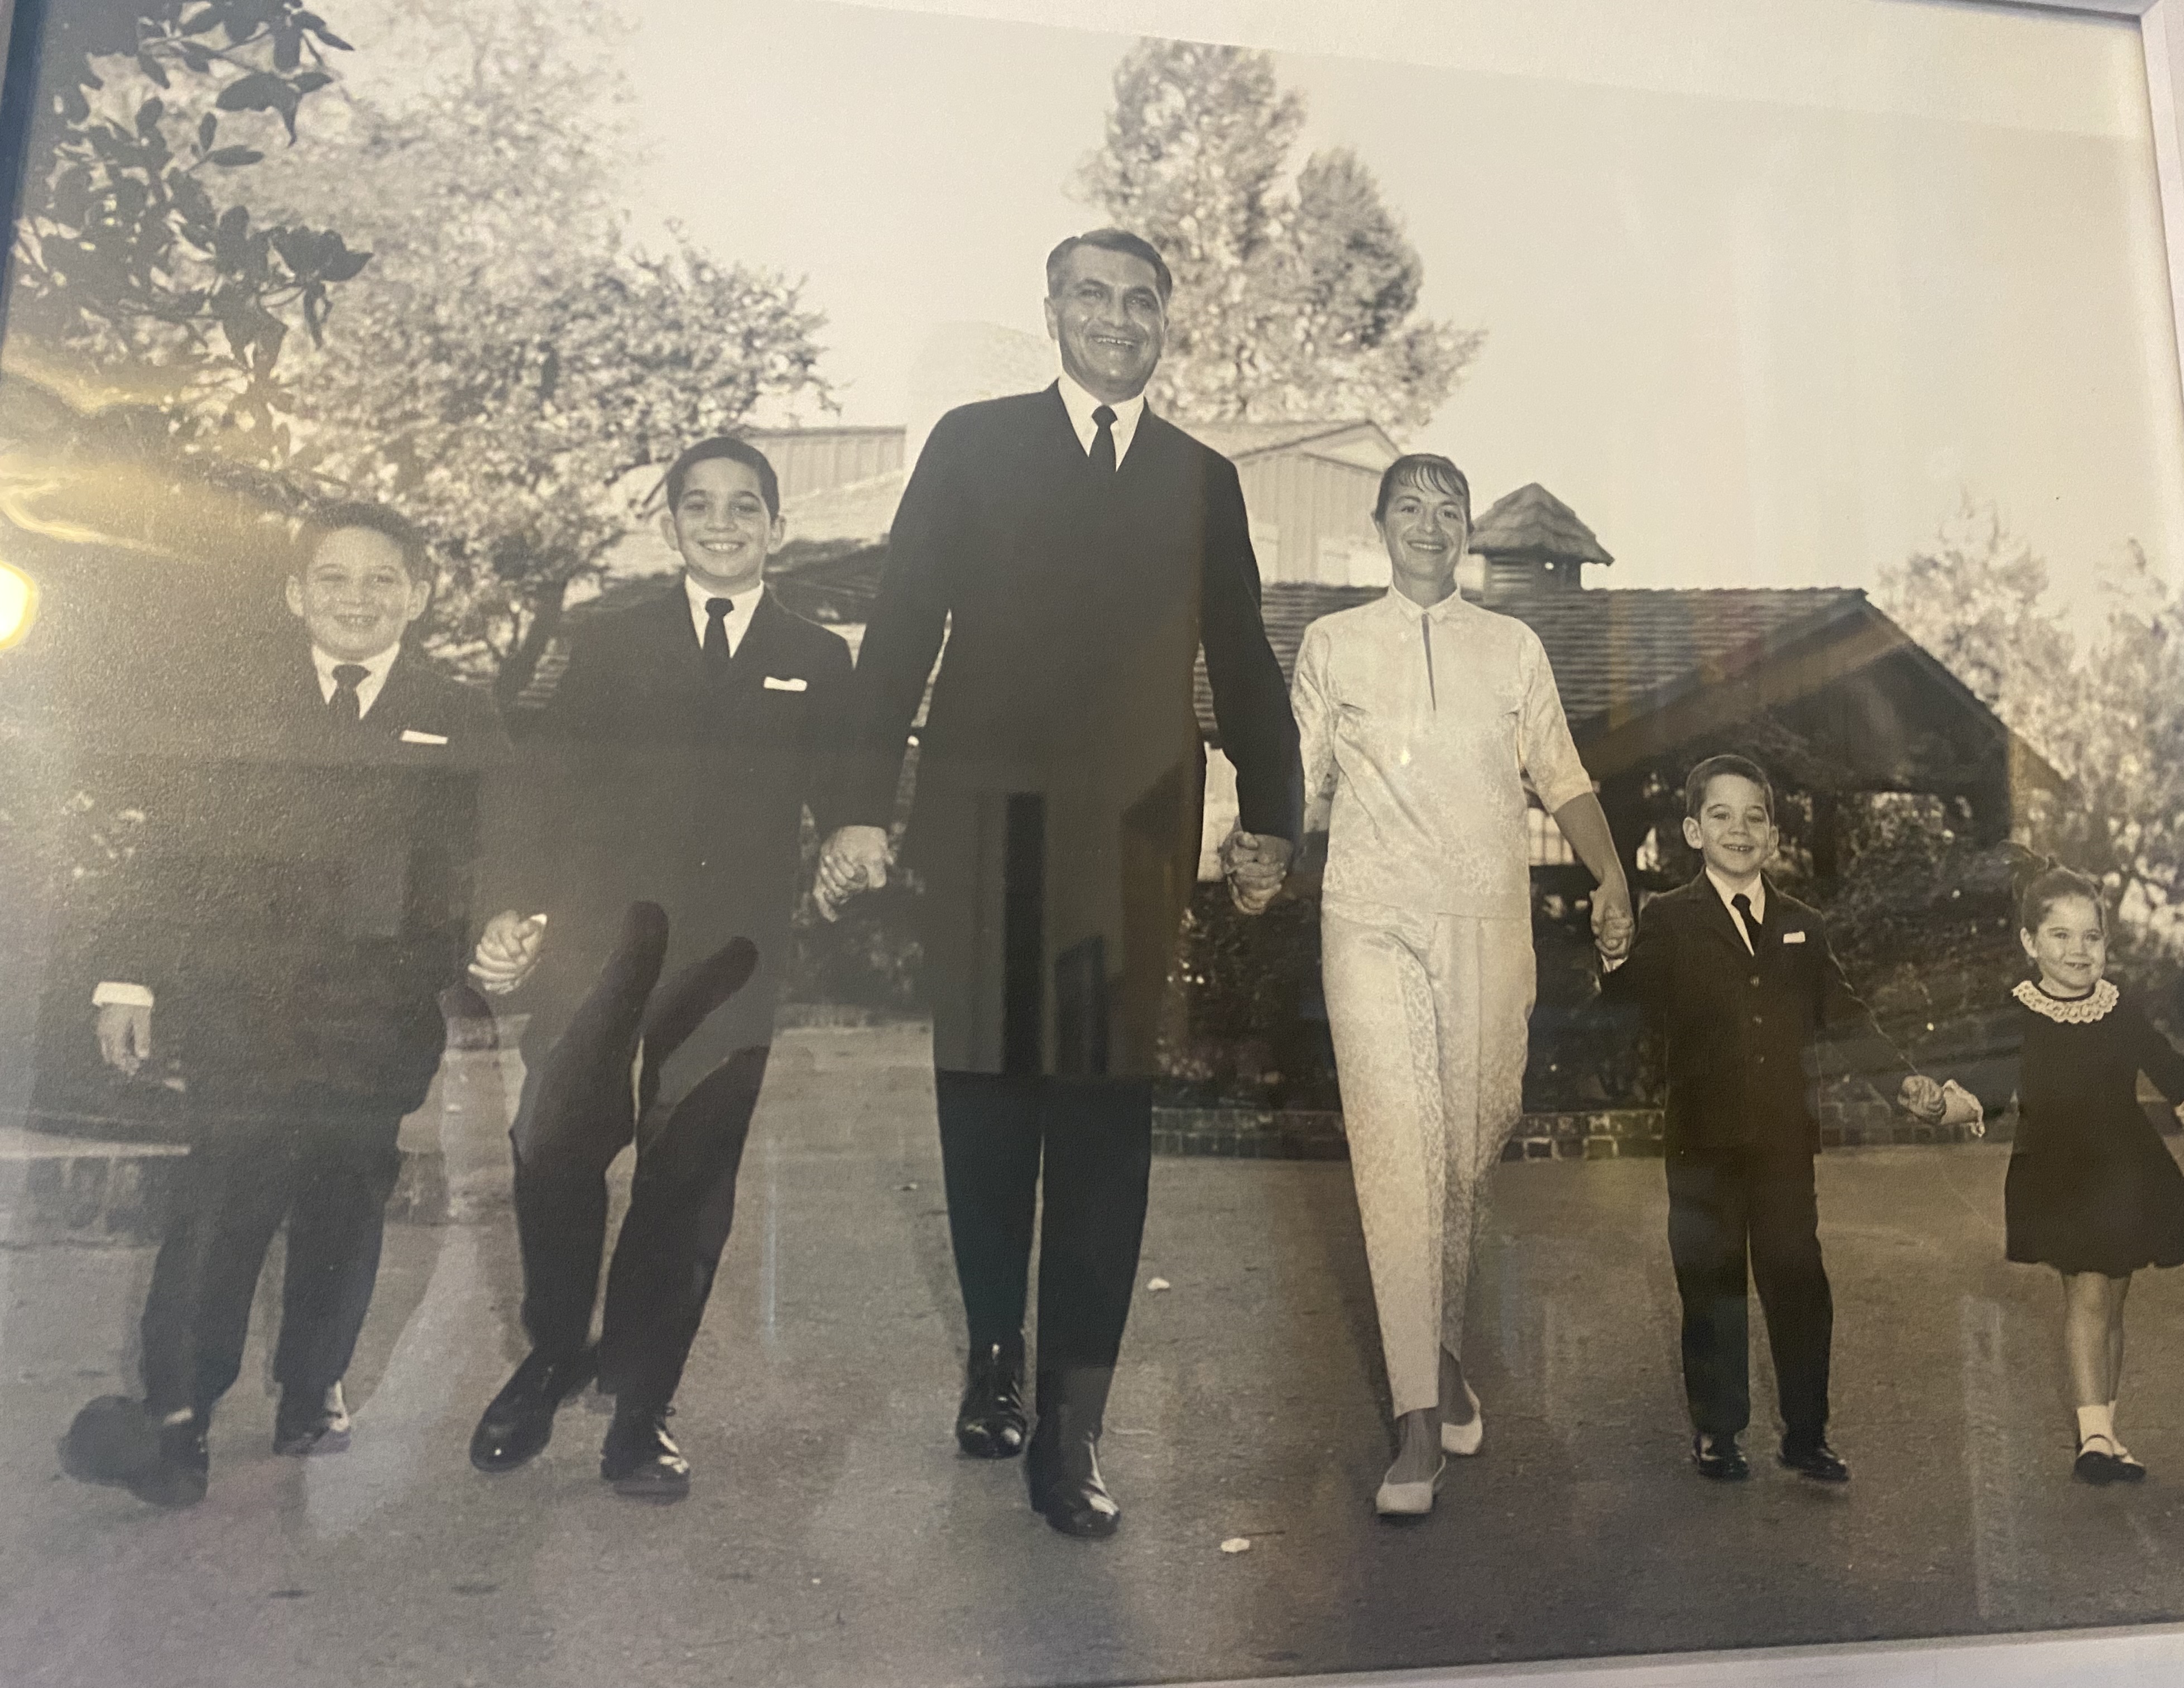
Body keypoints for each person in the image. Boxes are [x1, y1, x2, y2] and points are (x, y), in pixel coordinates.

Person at [815, 228, 1300, 1539]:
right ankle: (992, 1355)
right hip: (984, 832)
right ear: (1052, 311)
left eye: (1145, 300)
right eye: (1094, 295)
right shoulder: (974, 444)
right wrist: (861, 809)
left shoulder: (1204, 480)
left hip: (1134, 843)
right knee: (986, 1119)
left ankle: (1075, 1431)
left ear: (1166, 323)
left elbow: (1243, 656)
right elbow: (902, 631)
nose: (1120, 319)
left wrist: (1274, 810)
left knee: (1099, 1135)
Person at [60, 503, 502, 1508]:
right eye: (333, 578)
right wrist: (128, 975)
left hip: (376, 1010)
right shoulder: (232, 696)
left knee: (345, 1200)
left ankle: (312, 1383)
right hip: (241, 1002)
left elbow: (496, 844)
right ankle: (179, 1416)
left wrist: (502, 938)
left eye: (381, 579)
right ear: (296, 592)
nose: (356, 598)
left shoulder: (461, 709)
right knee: (223, 1199)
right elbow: (166, 850)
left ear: (420, 594)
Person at [465, 437, 852, 1499]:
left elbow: (856, 775)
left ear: (777, 525)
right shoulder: (607, 641)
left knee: (686, 1177)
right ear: (667, 522)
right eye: (698, 505)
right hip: (602, 940)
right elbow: (539, 786)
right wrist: (511, 904)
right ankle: (553, 1350)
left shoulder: (816, 654)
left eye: (744, 506)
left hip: (730, 959)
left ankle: (640, 1407)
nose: (721, 523)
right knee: (555, 1152)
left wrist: (858, 833)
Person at [1290, 453, 1632, 1518]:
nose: (1429, 524)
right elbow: (1294, 787)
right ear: (1379, 523)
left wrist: (1613, 874)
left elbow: (1563, 772)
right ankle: (1412, 1422)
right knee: (1397, 1143)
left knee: (1463, 1144)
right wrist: (1253, 855)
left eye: (1449, 509)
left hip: (1487, 924)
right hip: (1369, 919)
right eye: (1409, 506)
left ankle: (1437, 1350)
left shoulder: (1512, 645)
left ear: (1470, 529)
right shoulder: (1333, 641)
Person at [1597, 754, 1903, 1485]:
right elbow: (1626, 1006)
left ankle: (1807, 1435)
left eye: (1755, 817)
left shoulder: (1805, 927)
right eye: (1722, 816)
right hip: (1701, 1146)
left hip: (1783, 1147)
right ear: (1693, 831)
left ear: (1773, 836)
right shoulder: (1669, 919)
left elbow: (1849, 1018)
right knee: (1712, 1285)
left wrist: (1908, 1086)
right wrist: (1613, 956)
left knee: (1799, 1282)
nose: (1740, 830)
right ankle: (1719, 1432)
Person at [1905, 863, 2184, 1483]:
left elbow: (2175, 1074)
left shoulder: (2120, 1010)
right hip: (2059, 1174)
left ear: (2106, 945)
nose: (2077, 951)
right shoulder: (2019, 1015)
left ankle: (2107, 1434)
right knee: (2089, 1291)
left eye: (2090, 937)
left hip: (2128, 1172)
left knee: (2113, 1300)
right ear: (2030, 943)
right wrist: (1940, 1107)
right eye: (2060, 937)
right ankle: (2092, 1437)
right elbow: (1982, 1095)